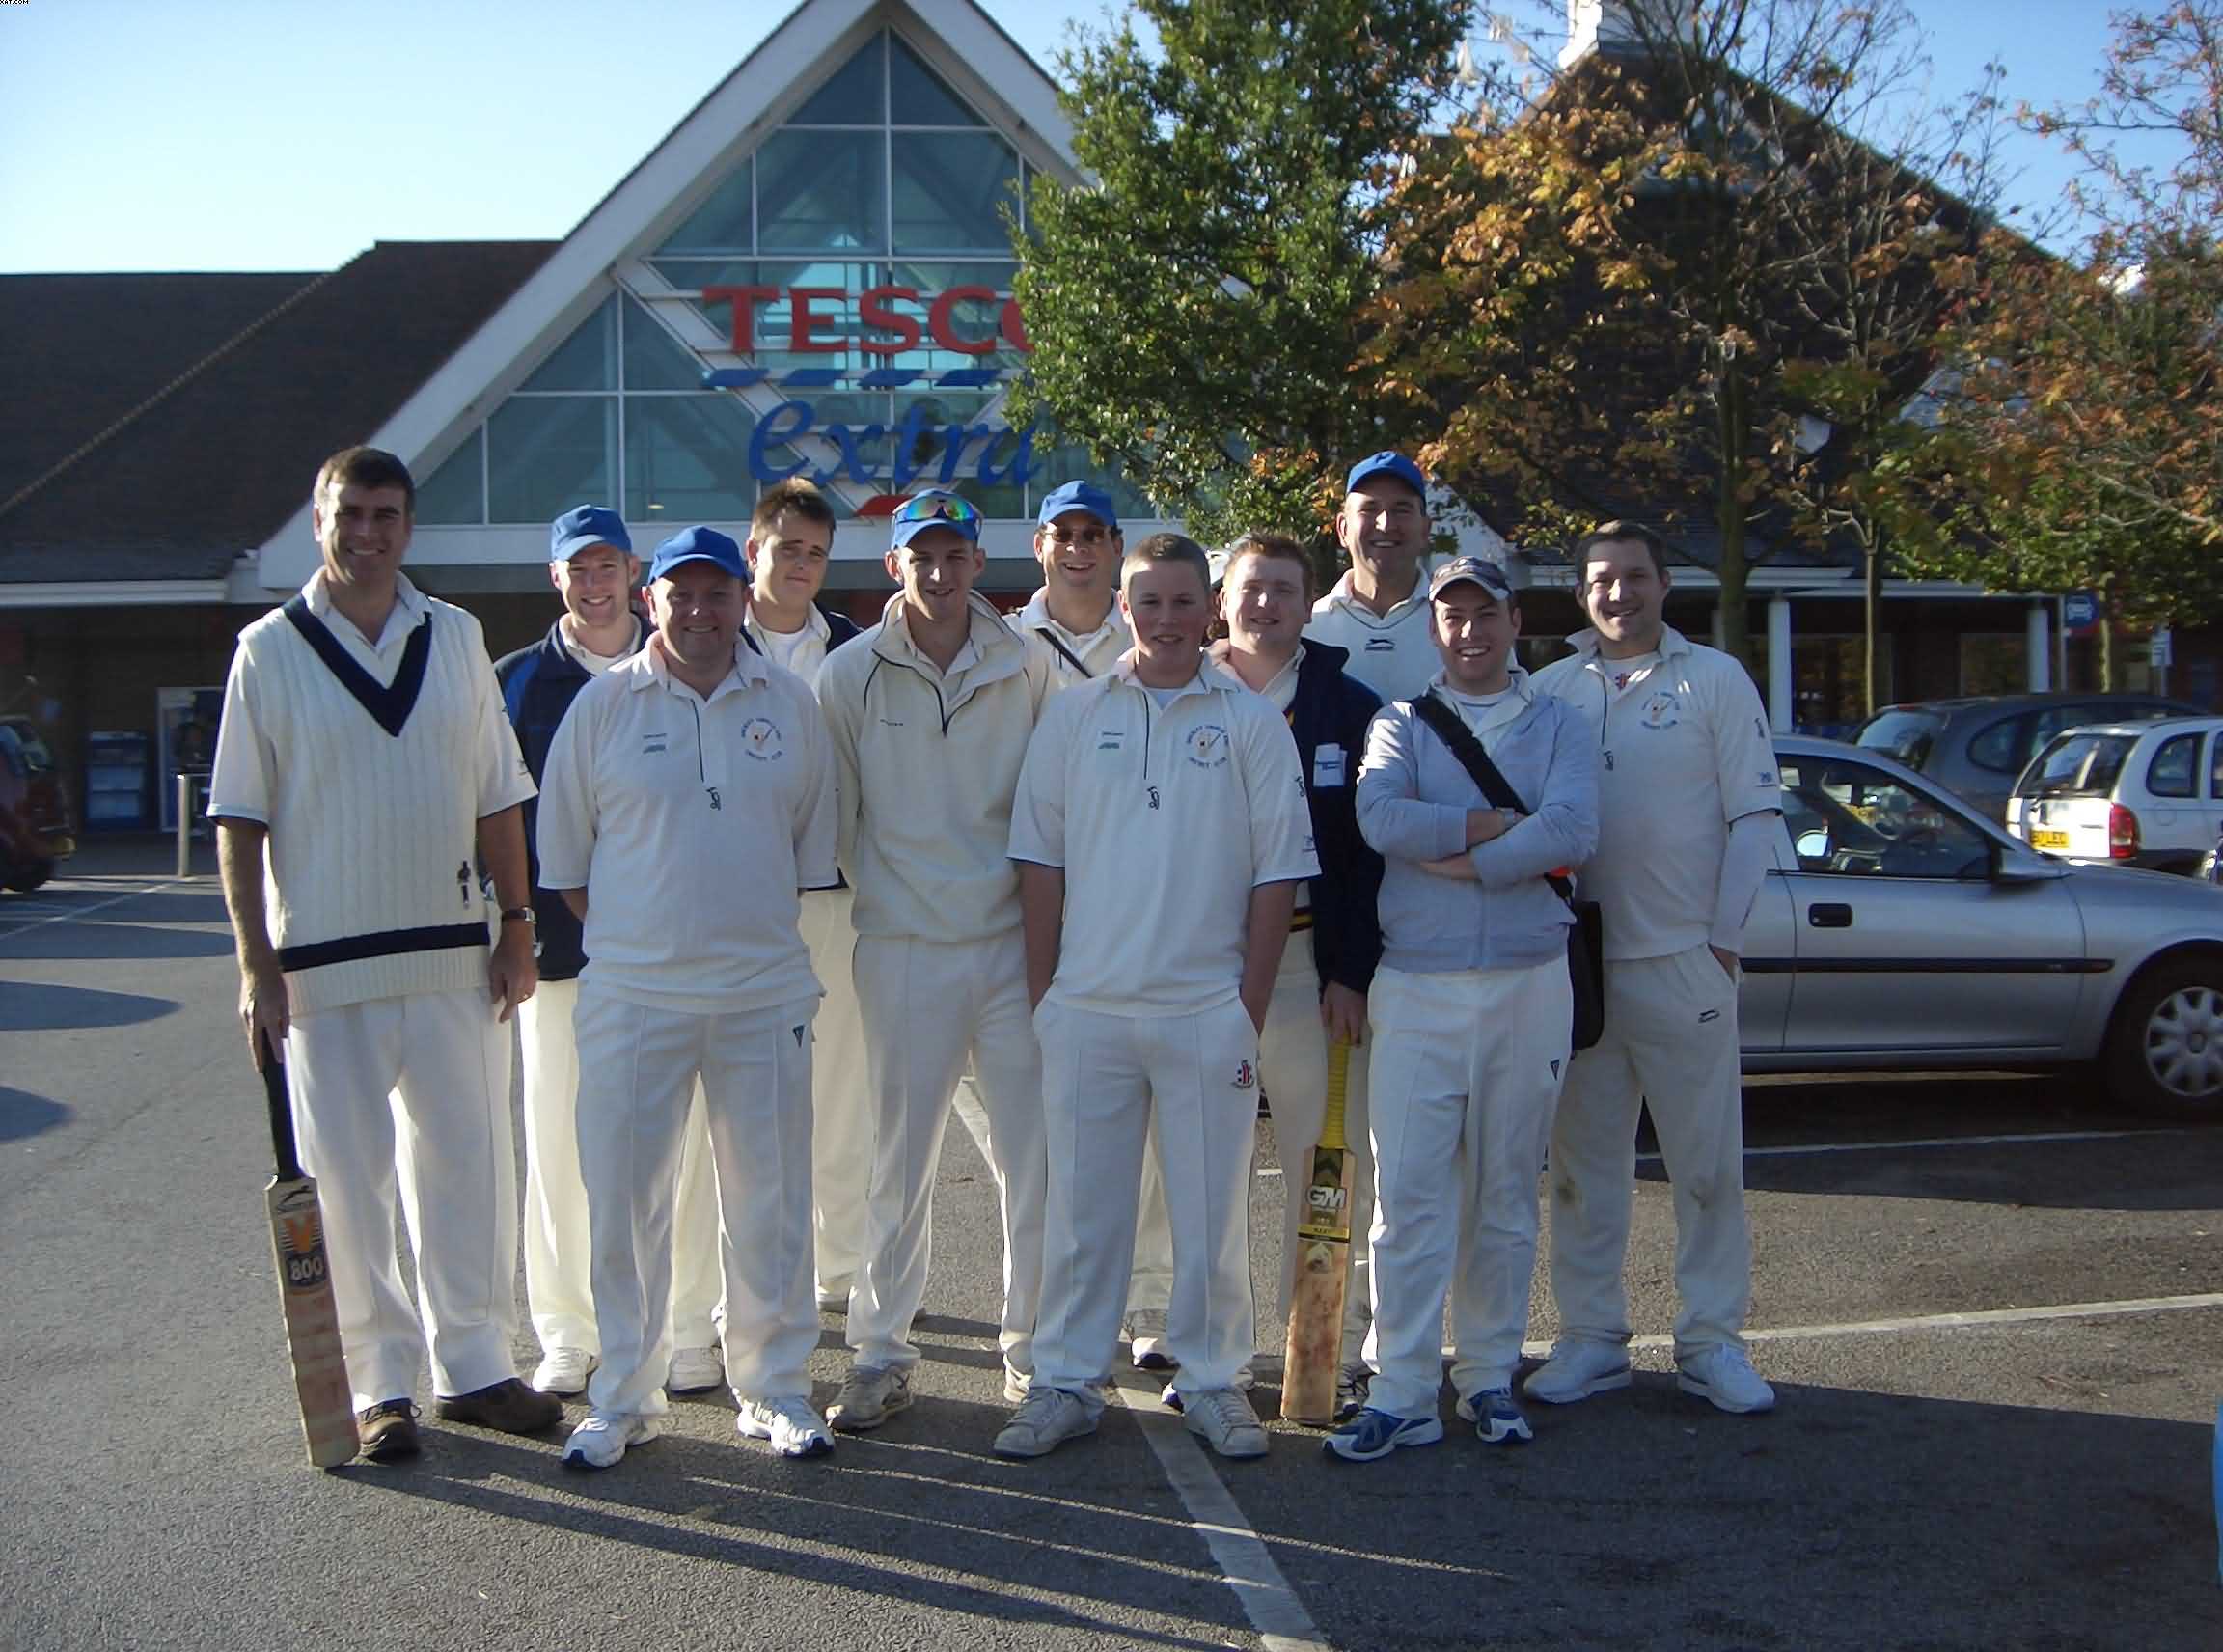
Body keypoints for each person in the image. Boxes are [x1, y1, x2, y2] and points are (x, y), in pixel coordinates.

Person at [209, 445, 560, 1463]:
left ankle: (476, 1364)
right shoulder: (268, 650)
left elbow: (499, 790)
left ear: (411, 525)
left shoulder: (454, 635)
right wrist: (255, 966)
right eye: (350, 513)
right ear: (318, 519)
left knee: (465, 1168)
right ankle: (378, 1383)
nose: (368, 535)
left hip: (454, 953)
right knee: (348, 1186)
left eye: (387, 516)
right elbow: (238, 820)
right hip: (323, 967)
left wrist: (518, 924)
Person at [999, 533, 1317, 1461]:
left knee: (1211, 1214)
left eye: (1185, 603)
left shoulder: (1254, 723)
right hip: (1089, 1011)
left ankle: (1214, 1380)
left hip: (1204, 1012)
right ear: (1126, 608)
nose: (1167, 620)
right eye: (1151, 602)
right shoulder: (1073, 716)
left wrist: (1242, 1009)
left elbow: (1276, 878)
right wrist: (1047, 998)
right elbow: (1040, 863)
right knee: (1084, 1212)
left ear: (1208, 608)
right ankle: (1065, 1379)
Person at [534, 526, 840, 1468]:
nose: (699, 611)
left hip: (760, 991)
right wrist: (652, 939)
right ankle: (624, 1393)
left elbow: (802, 854)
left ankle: (775, 1385)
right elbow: (570, 868)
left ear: (741, 598)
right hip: (632, 995)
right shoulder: (601, 708)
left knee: (771, 1202)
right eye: (680, 593)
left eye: (716, 593)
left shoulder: (791, 706)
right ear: (648, 596)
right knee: (625, 1203)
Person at [1330, 555, 1597, 1462]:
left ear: (1513, 621)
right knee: (1405, 1200)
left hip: (1530, 981)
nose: (1470, 631)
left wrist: (1457, 858)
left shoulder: (1558, 719)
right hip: (1417, 983)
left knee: (1504, 1193)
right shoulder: (1398, 721)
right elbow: (1380, 821)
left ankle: (1487, 1375)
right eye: (1453, 617)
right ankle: (1401, 1387)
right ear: (1434, 629)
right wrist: (1493, 826)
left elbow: (1572, 830)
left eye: (1486, 614)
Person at [1528, 523, 1782, 1416]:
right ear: (1580, 592)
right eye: (1601, 579)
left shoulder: (1712, 679)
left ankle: (1712, 1340)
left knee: (1706, 1167)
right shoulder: (1550, 688)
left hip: (1684, 964)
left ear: (1664, 584)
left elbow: (1755, 819)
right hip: (1581, 971)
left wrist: (1722, 942)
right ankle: (1592, 1336)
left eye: (1634, 578)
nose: (1618, 594)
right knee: (1582, 1169)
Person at [814, 488, 1054, 1432]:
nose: (941, 570)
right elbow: (838, 818)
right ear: (894, 564)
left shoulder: (1026, 665)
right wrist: (894, 897)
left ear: (977, 563)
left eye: (956, 554)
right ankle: (880, 1350)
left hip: (1005, 948)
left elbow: (1049, 809)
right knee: (896, 1160)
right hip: (904, 949)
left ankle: (1033, 1346)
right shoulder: (850, 675)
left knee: (1032, 1157)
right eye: (924, 554)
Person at [496, 506, 726, 1402]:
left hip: (679, 963)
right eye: (576, 570)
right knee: (559, 1152)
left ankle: (689, 1325)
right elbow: (505, 821)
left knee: (690, 1153)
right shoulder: (516, 682)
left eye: (607, 568)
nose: (594, 584)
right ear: (557, 578)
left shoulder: (682, 662)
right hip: (561, 962)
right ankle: (567, 1332)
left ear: (636, 575)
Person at [1208, 533, 1386, 1421]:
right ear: (1222, 598)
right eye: (1251, 588)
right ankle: (1222, 1351)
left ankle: (1325, 1350)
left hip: (1313, 977)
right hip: (1205, 973)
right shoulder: (1180, 689)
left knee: (1329, 1166)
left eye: (1283, 590)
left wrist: (1350, 971)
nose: (1265, 604)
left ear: (1308, 602)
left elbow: (1361, 858)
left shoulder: (1349, 707)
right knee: (1215, 1168)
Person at [1013, 480, 1171, 1370]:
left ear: (1115, 546)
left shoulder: (1156, 639)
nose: (1078, 548)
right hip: (1043, 915)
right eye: (1062, 533)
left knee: (1148, 1132)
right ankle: (1060, 1314)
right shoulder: (1005, 643)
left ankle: (1151, 1301)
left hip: (1140, 916)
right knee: (1061, 1136)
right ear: (1040, 545)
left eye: (1094, 534)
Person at [740, 478, 869, 1314]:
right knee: (748, 1103)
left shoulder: (855, 649)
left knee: (845, 1094)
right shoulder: (707, 640)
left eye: (816, 553)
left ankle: (846, 1269)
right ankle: (755, 1280)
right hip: (745, 908)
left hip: (841, 900)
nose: (801, 565)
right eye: (787, 548)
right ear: (754, 550)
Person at [1304, 452, 1440, 704]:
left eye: (1402, 509)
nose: (1386, 524)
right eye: (1369, 509)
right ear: (1343, 529)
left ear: (1425, 529)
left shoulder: (1460, 629)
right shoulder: (1308, 628)